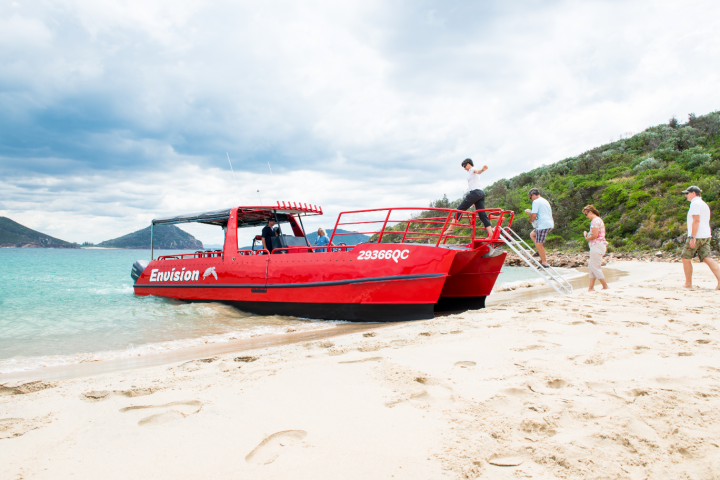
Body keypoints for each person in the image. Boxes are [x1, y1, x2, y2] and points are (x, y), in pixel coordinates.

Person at [680, 186, 720, 290]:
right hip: (706, 235)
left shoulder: (695, 204)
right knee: (707, 257)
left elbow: (696, 221)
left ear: (693, 193)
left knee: (685, 258)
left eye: (687, 193)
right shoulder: (704, 204)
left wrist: (693, 237)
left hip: (697, 235)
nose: (686, 195)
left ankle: (688, 284)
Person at [444, 158, 494, 238]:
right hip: (480, 193)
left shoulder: (472, 169)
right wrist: (474, 201)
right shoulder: (472, 173)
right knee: (482, 215)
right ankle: (491, 235)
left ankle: (450, 229)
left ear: (468, 164)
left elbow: (478, 171)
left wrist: (482, 169)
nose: (464, 169)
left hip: (475, 192)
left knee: (459, 209)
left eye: (464, 166)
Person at [582, 205, 609, 291]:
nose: (587, 217)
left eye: (586, 214)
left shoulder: (595, 221)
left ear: (590, 212)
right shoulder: (598, 220)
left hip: (597, 246)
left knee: (594, 267)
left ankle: (605, 285)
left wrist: (587, 238)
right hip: (599, 245)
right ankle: (591, 287)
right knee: (591, 266)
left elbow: (595, 235)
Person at [528, 188, 554, 268]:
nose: (531, 199)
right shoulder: (544, 200)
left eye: (530, 197)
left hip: (543, 225)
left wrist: (530, 220)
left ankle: (544, 263)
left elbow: (534, 215)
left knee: (539, 244)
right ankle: (539, 251)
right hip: (548, 223)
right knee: (532, 234)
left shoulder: (536, 201)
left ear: (533, 195)